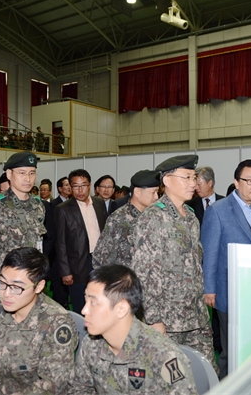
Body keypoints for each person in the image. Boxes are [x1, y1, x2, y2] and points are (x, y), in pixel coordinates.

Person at [130, 155, 216, 370]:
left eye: (194, 177)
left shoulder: (191, 217)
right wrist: (154, 320)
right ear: (167, 181)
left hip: (197, 317)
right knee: (171, 378)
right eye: (187, 177)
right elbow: (144, 272)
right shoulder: (153, 217)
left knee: (206, 375)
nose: (193, 183)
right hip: (168, 321)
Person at [0, 247, 77, 395]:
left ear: (38, 286)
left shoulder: (56, 322)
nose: (6, 294)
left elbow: (52, 386)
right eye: (2, 283)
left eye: (16, 287)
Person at [68, 264, 198, 395]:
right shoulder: (91, 343)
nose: (84, 310)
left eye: (93, 303)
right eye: (86, 300)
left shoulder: (163, 356)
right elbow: (79, 389)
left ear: (121, 309)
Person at [201, 159, 251, 378]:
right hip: (228, 290)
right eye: (250, 180)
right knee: (231, 350)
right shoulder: (218, 211)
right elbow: (210, 252)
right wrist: (209, 289)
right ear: (237, 182)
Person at [0, 151, 46, 299]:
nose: (28, 178)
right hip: (3, 286)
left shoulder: (38, 206)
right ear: (9, 174)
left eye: (32, 173)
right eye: (22, 173)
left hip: (30, 283)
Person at [54, 169, 107, 313]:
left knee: (101, 301)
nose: (80, 190)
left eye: (83, 185)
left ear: (89, 185)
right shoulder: (63, 209)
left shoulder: (99, 203)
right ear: (70, 188)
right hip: (77, 264)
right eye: (76, 186)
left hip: (99, 260)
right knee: (81, 305)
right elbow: (60, 243)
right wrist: (65, 271)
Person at [93, 170, 160, 268]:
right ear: (137, 192)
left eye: (157, 192)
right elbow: (102, 259)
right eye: (153, 192)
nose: (156, 197)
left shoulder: (153, 216)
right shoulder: (119, 218)